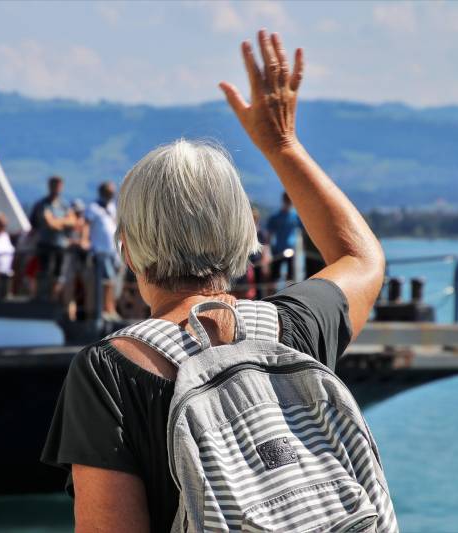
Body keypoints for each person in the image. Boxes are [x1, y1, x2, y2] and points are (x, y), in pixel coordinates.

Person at [41, 30, 386, 532]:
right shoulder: (290, 332)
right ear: (244, 235)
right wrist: (282, 145)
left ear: (127, 250)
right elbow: (360, 255)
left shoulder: (109, 372)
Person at [30, 176, 75, 301]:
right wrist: (63, 221)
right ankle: (41, 298)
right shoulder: (42, 204)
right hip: (45, 244)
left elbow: (73, 221)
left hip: (60, 245)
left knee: (58, 274)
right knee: (44, 272)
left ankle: (53, 298)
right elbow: (49, 223)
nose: (56, 188)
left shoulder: (64, 204)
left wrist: (58, 221)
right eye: (54, 185)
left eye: (58, 185)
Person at [85, 181, 120, 321]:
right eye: (109, 192)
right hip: (100, 250)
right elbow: (86, 225)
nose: (112, 195)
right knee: (107, 280)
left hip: (113, 251)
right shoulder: (93, 208)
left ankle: (110, 308)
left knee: (113, 281)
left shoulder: (112, 207)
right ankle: (107, 309)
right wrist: (84, 240)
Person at [266, 191, 301, 289]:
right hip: (278, 250)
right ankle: (272, 293)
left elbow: (303, 231)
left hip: (291, 250)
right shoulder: (275, 217)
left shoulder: (296, 216)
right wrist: (268, 251)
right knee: (274, 276)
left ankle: (290, 293)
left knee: (290, 277)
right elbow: (269, 235)